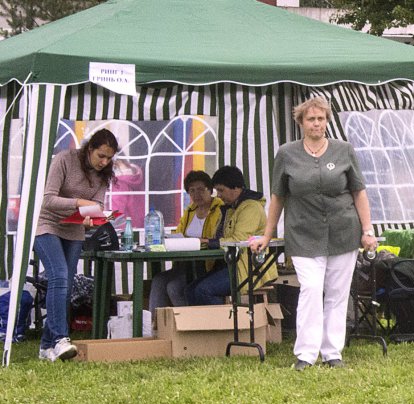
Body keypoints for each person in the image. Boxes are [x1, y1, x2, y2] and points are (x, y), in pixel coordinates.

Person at [250, 96, 378, 370]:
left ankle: (333, 352)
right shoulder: (286, 153)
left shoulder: (344, 150)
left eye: (321, 119)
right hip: (303, 233)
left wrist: (367, 230)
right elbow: (277, 197)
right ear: (301, 122)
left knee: (337, 292)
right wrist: (266, 235)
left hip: (343, 231)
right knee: (310, 288)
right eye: (311, 119)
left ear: (327, 121)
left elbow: (359, 192)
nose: (316, 123)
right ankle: (306, 354)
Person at [35, 128, 119, 362]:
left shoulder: (104, 174)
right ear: (89, 149)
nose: (104, 162)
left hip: (74, 230)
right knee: (59, 276)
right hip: (47, 225)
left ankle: (45, 347)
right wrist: (80, 202)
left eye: (109, 158)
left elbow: (97, 206)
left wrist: (93, 219)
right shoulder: (65, 159)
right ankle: (61, 340)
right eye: (101, 155)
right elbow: (48, 199)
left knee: (66, 284)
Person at [185, 165, 275, 305]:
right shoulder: (229, 208)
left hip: (248, 269)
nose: (218, 195)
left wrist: (209, 242)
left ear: (236, 188)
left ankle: (225, 325)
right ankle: (201, 326)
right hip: (229, 265)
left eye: (221, 190)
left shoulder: (251, 208)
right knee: (189, 290)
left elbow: (239, 240)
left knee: (202, 291)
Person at [148, 170, 224, 312]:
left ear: (210, 190)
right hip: (185, 264)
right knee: (158, 279)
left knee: (174, 287)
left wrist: (198, 241)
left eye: (201, 189)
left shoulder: (219, 209)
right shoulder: (190, 211)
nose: (196, 194)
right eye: (192, 191)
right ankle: (154, 325)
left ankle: (188, 326)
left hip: (207, 265)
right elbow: (179, 233)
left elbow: (218, 238)